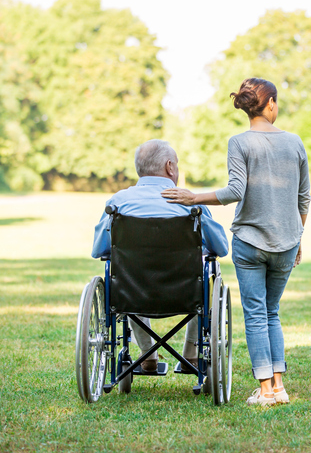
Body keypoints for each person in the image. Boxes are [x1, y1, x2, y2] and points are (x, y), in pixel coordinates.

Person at [162, 77, 310, 406]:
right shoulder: (295, 142)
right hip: (287, 241)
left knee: (256, 314)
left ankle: (266, 390)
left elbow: (234, 192)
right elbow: (303, 199)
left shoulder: (239, 143)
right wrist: (298, 237)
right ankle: (279, 386)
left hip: (250, 242)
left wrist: (193, 197)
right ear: (270, 103)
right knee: (272, 312)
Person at [92, 139, 229, 373]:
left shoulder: (118, 203)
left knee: (128, 275)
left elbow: (99, 251)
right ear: (169, 167)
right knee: (204, 277)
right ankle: (192, 356)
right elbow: (222, 249)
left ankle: (148, 357)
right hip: (185, 293)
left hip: (132, 294)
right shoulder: (190, 205)